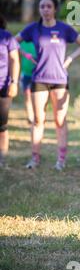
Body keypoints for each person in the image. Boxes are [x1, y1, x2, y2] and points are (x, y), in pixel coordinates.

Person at [16, 0, 80, 171]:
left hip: (60, 80)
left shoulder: (64, 28)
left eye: (49, 6)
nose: (45, 9)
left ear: (55, 9)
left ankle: (61, 160)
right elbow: (12, 41)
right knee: (38, 120)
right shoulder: (33, 29)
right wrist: (26, 56)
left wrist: (70, 59)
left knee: (59, 120)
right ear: (39, 9)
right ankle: (35, 158)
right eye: (42, 6)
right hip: (39, 79)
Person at [0, 15, 20, 168]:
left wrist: (14, 82)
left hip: (3, 86)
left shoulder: (6, 37)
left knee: (2, 125)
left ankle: (2, 159)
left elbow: (14, 60)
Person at [19, 40, 37, 125]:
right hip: (25, 73)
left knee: (35, 96)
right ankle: (30, 117)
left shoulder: (38, 41)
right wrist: (26, 54)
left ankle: (36, 114)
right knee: (27, 95)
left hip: (37, 74)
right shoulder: (23, 42)